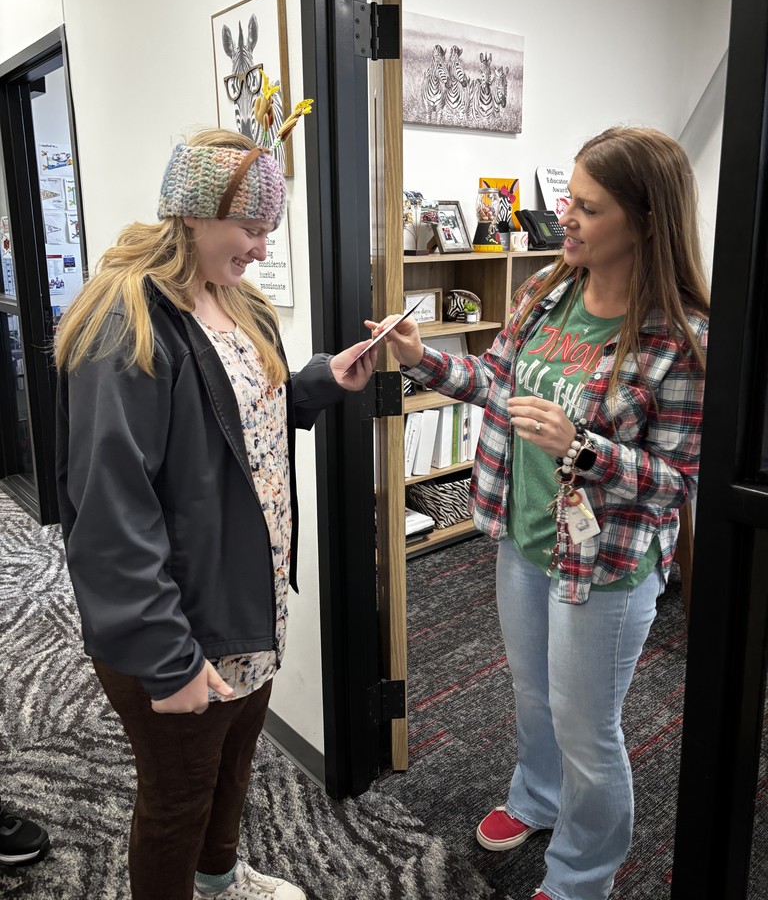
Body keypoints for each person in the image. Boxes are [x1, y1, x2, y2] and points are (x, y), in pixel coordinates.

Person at [369, 126, 709, 900]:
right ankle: (535, 797)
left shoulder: (679, 338)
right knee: (533, 697)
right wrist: (423, 358)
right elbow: (495, 380)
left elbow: (677, 483)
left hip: (609, 565)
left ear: (646, 220)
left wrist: (583, 448)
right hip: (523, 541)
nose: (566, 219)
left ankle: (583, 874)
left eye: (587, 207)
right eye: (569, 200)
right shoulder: (545, 289)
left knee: (590, 732)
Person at [54, 129, 378, 900]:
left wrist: (321, 381)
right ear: (193, 217)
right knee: (175, 797)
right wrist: (167, 656)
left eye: (271, 230)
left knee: (233, 762)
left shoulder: (240, 303)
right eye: (253, 229)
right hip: (176, 624)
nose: (263, 250)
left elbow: (241, 421)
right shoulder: (125, 323)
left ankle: (222, 881)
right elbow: (108, 516)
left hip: (248, 602)